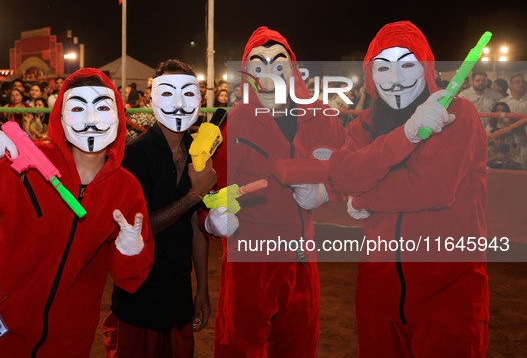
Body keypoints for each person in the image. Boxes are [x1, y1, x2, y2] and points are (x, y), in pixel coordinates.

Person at [0, 68, 154, 356]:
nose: (91, 119)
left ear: (118, 116)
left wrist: (132, 252)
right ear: (61, 116)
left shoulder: (126, 190)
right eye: (78, 108)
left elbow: (129, 279)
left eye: (103, 108)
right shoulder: (27, 163)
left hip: (68, 335)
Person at [326, 21, 488, 357]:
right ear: (371, 75)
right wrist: (408, 133)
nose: (396, 79)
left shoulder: (458, 113)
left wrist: (365, 195)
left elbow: (432, 189)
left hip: (448, 292)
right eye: (383, 68)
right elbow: (342, 174)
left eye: (407, 65)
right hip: (378, 296)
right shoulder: (364, 125)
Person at [205, 27, 346, 357]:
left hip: (302, 261)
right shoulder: (232, 124)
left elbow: (351, 175)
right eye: (258, 65)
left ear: (293, 70)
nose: (268, 75)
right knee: (240, 345)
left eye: (278, 64)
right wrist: (212, 222)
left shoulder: (322, 119)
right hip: (248, 263)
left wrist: (326, 193)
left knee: (298, 344)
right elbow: (210, 194)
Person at [103, 60, 216, 357]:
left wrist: (202, 289)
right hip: (139, 297)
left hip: (179, 297)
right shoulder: (134, 156)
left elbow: (196, 226)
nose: (178, 103)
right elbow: (139, 227)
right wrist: (194, 195)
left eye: (188, 94)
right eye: (168, 93)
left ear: (200, 100)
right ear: (152, 99)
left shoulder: (199, 152)